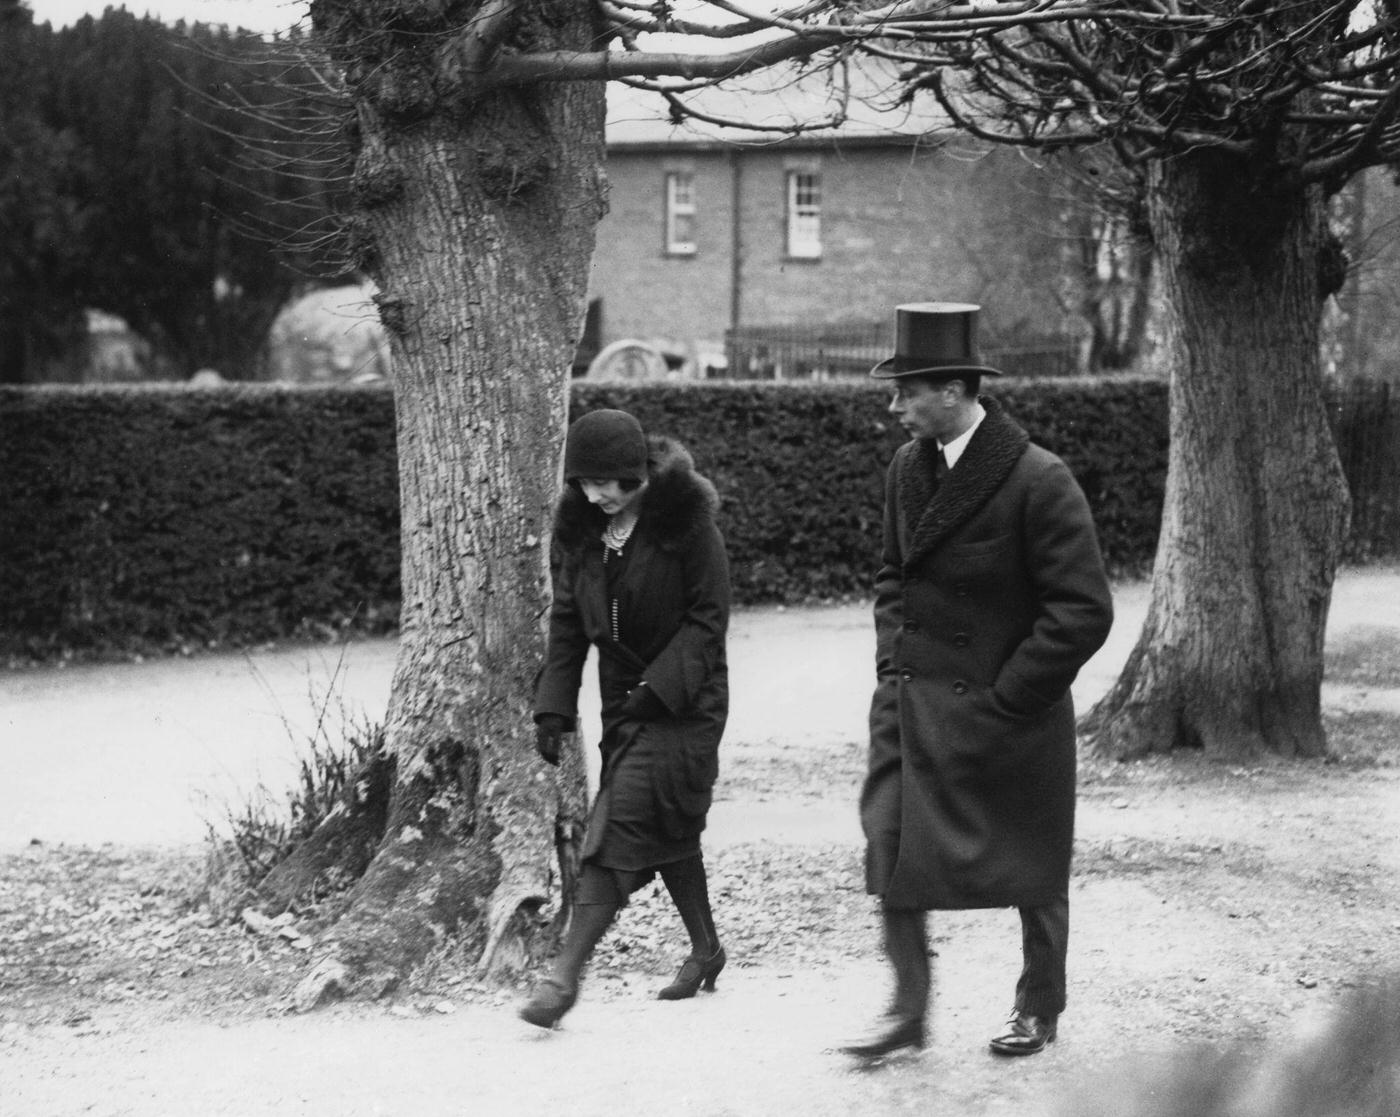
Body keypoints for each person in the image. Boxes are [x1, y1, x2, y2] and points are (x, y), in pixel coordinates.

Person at [842, 303, 1114, 1060]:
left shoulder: (1038, 478)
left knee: (1030, 862)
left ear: (955, 389)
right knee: (889, 841)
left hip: (1008, 713)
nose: (895, 405)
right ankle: (907, 1008)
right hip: (914, 703)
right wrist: (891, 666)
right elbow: (893, 575)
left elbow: (1083, 609)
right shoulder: (907, 468)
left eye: (907, 390)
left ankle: (1039, 1004)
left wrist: (1010, 697)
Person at [519, 408, 731, 1030]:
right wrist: (553, 706)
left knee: (619, 828)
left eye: (607, 482)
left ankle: (563, 977)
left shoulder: (686, 528)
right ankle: (707, 949)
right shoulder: (582, 534)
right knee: (663, 825)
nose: (595, 495)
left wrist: (659, 688)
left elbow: (707, 622)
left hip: (685, 702)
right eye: (583, 483)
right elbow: (567, 626)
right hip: (623, 704)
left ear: (636, 473)